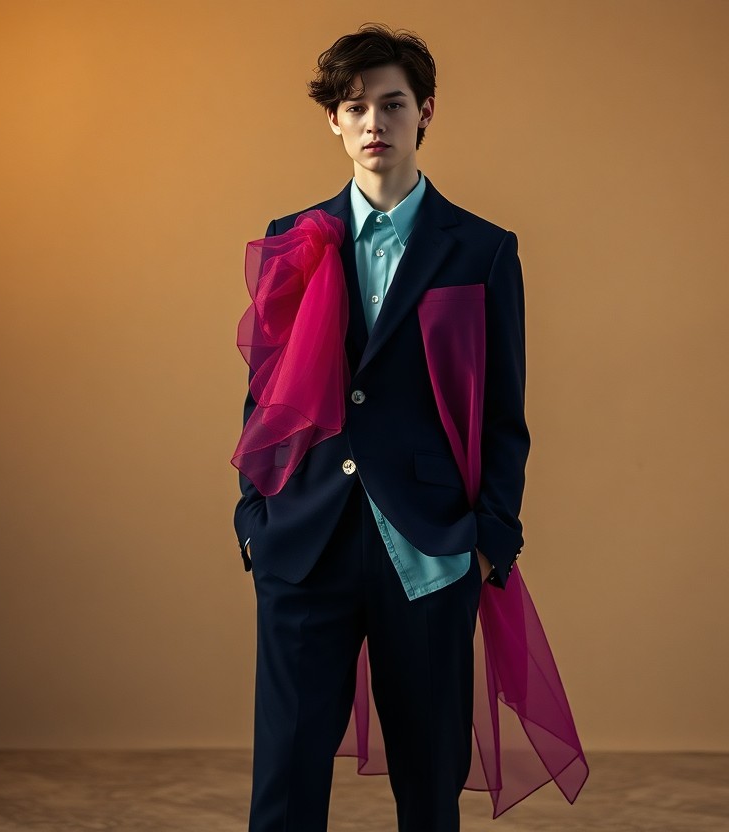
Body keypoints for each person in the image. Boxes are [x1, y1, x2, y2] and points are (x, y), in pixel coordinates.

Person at [232, 24, 530, 832]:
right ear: (333, 118)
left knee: (430, 786)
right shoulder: (294, 238)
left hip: (429, 548)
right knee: (284, 786)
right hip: (304, 542)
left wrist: (488, 538)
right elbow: (265, 397)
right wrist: (255, 519)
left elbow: (504, 414)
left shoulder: (482, 251)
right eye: (356, 107)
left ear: (424, 112)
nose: (374, 123)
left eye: (392, 104)